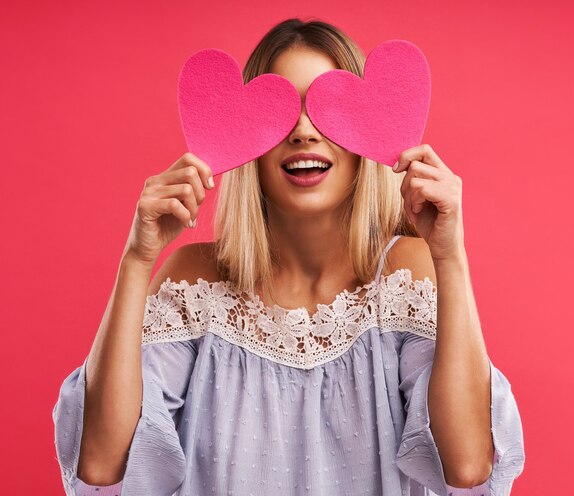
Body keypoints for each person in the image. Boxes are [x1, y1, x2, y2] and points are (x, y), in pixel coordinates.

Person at [52, 17, 525, 496]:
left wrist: (450, 257)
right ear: (246, 138)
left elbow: (466, 468)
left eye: (328, 107)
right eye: (281, 111)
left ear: (367, 131)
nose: (303, 131)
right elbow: (101, 465)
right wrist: (137, 259)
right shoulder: (195, 282)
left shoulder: (408, 274)